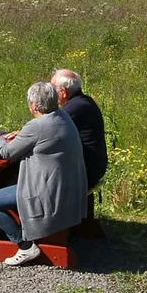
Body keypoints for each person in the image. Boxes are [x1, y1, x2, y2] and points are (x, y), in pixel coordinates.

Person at [0, 80, 88, 266]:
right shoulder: (63, 117)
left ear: (34, 105)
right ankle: (20, 232)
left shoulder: (37, 126)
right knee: (6, 185)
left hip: (47, 194)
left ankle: (25, 245)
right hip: (67, 187)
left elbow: (6, 153)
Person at [52, 68, 107, 227]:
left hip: (86, 173)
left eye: (52, 88)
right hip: (94, 167)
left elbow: (48, 130)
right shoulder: (84, 101)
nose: (51, 93)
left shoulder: (74, 108)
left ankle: (50, 229)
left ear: (63, 92)